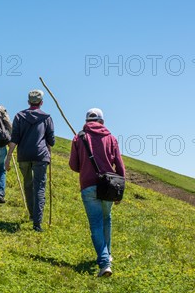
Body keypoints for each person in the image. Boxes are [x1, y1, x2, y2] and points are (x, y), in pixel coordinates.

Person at [69, 108, 125, 278]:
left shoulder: (79, 137)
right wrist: (119, 192)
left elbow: (73, 165)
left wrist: (85, 168)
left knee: (96, 223)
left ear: (86, 121)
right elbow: (120, 166)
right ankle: (106, 255)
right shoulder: (111, 138)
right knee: (106, 219)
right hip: (108, 186)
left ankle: (104, 262)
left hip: (88, 185)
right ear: (102, 121)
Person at [5, 90, 55, 232]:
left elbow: (14, 139)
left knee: (28, 184)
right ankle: (37, 223)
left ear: (28, 102)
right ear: (41, 103)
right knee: (39, 187)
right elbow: (51, 140)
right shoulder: (46, 118)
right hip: (41, 156)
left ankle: (33, 215)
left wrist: (8, 158)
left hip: (24, 156)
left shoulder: (19, 116)